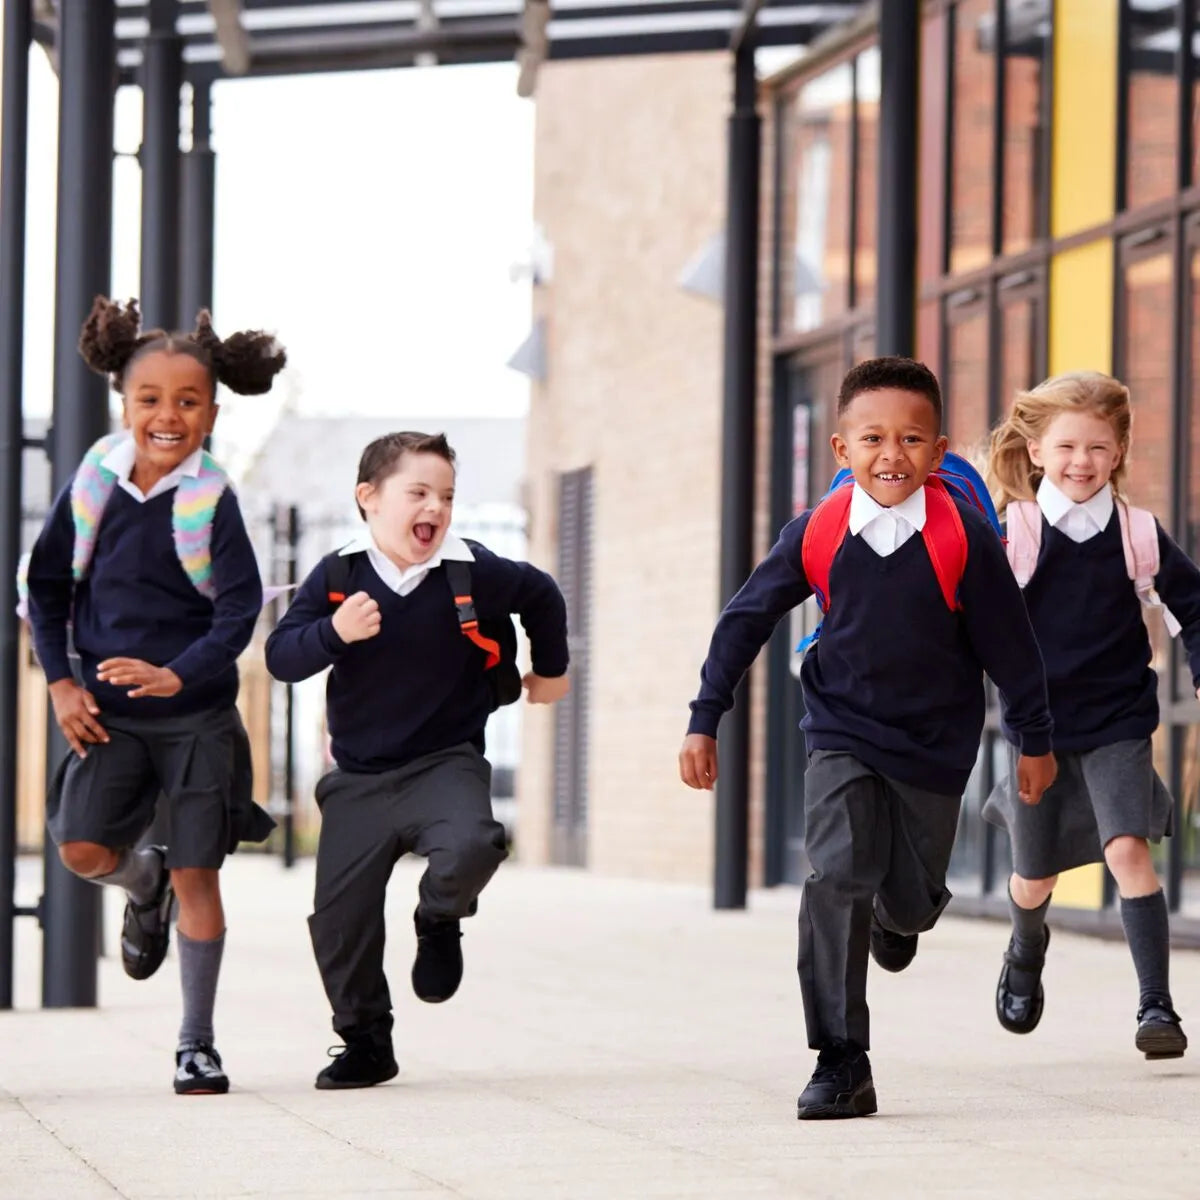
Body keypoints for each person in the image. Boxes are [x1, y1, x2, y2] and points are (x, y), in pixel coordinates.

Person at [679, 356, 1056, 1120]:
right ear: (841, 449)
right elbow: (746, 618)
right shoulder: (818, 531)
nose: (892, 455)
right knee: (835, 875)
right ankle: (840, 1060)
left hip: (934, 744)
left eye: (912, 439)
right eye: (873, 438)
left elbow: (1012, 647)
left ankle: (894, 917)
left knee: (910, 903)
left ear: (938, 449)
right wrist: (704, 716)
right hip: (840, 728)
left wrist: (1034, 739)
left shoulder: (963, 535)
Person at [25, 296, 285, 1095]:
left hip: (196, 718)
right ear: (124, 404)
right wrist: (61, 683)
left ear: (212, 412)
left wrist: (181, 674)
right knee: (81, 850)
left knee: (197, 874)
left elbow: (239, 609)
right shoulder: (94, 484)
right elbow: (46, 587)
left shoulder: (212, 501)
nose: (168, 416)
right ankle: (143, 885)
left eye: (188, 401)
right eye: (150, 399)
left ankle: (196, 1044)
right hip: (108, 716)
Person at [265, 431, 570, 1090]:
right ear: (369, 498)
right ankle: (366, 1041)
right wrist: (333, 633)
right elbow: (281, 657)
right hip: (358, 779)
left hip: (444, 764)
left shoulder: (473, 571)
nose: (436, 507)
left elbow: (542, 593)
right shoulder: (339, 576)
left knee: (474, 844)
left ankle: (439, 916)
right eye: (420, 493)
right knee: (338, 921)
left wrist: (551, 669)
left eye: (447, 496)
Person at [983, 370, 1200, 1059]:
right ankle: (1025, 949)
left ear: (1120, 452)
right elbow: (967, 621)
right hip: (1037, 729)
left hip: (1118, 719)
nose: (1083, 461)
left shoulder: (1137, 534)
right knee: (1035, 877)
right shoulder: (1012, 532)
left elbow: (1194, 608)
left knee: (1127, 849)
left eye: (1099, 447)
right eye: (1068, 446)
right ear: (1036, 451)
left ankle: (1156, 1005)